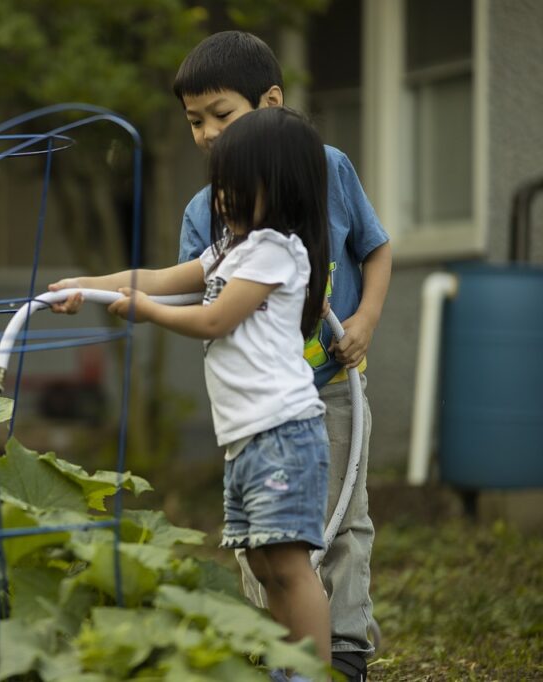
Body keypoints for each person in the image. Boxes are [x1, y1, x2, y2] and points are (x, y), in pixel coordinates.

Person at [50, 106, 334, 674]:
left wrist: (149, 313)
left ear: (277, 186)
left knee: (290, 565)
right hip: (247, 438)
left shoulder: (277, 249)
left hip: (283, 432)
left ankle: (313, 674)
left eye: (235, 186)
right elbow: (154, 278)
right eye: (219, 185)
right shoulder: (228, 252)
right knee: (262, 564)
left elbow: (213, 320)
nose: (222, 197)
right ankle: (285, 668)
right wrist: (86, 284)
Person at [173, 31, 392, 682]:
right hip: (262, 409)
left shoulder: (331, 170)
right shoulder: (204, 211)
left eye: (222, 115)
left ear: (271, 102)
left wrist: (366, 319)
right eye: (194, 122)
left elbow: (376, 250)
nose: (209, 134)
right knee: (262, 533)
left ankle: (345, 649)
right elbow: (197, 297)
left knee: (344, 519)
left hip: (331, 383)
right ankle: (275, 648)